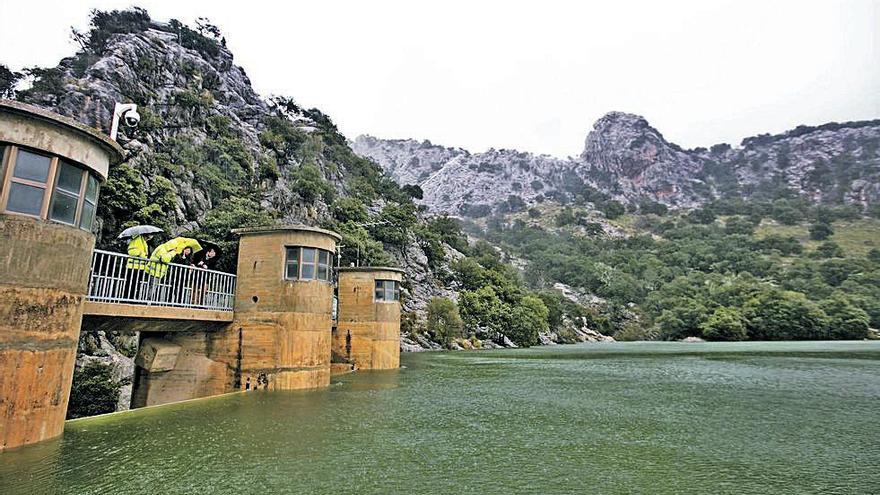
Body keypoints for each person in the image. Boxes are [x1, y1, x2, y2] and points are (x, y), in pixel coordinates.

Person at [124, 234, 152, 300]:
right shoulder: (136, 240)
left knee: (137, 284)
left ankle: (133, 298)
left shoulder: (144, 242)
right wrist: (142, 254)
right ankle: (127, 298)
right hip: (133, 266)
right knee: (131, 283)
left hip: (140, 267)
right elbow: (131, 251)